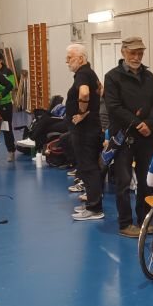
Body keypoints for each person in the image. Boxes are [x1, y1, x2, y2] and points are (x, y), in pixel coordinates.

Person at [104, 36, 153, 238]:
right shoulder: (112, 77)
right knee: (124, 181)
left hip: (146, 137)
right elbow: (114, 107)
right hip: (123, 137)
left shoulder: (149, 76)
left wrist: (150, 124)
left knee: (147, 181)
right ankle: (125, 223)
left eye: (140, 53)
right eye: (133, 53)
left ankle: (144, 219)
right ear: (123, 52)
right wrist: (138, 123)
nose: (137, 57)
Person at [65, 44, 104, 222]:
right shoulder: (90, 73)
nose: (67, 61)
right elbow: (101, 90)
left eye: (70, 58)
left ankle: (95, 208)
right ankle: (92, 202)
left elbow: (85, 93)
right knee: (89, 166)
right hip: (91, 127)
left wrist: (82, 112)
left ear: (80, 59)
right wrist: (91, 110)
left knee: (88, 168)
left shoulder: (82, 74)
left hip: (85, 130)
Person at [0, 50, 18, 162]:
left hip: (5, 104)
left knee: (6, 128)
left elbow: (10, 86)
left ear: (0, 60)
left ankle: (11, 151)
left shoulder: (7, 71)